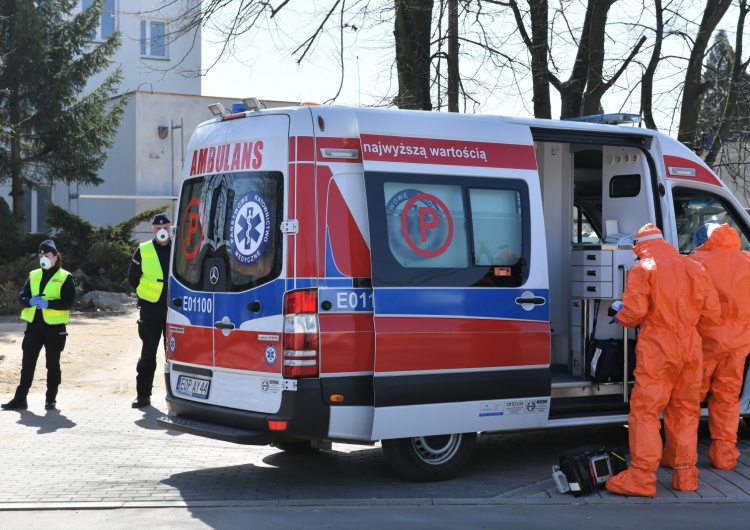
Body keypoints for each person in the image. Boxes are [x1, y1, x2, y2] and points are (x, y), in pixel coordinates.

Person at [606, 223, 720, 497]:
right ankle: (686, 476)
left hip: (658, 346)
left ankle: (642, 478)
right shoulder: (693, 266)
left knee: (645, 411)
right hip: (690, 346)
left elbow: (633, 313)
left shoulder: (643, 267)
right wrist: (689, 331)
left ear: (640, 245)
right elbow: (712, 313)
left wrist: (619, 314)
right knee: (685, 411)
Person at [676, 223, 750, 470]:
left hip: (705, 341)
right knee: (728, 397)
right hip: (738, 342)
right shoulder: (747, 260)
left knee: (689, 400)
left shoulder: (696, 261)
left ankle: (681, 459)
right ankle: (724, 456)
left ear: (702, 240)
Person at [2, 240, 75, 411]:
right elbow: (22, 296)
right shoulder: (34, 275)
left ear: (55, 257)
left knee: (52, 364)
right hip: (34, 326)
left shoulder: (65, 277)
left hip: (54, 328)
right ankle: (20, 399)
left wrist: (49, 304)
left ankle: (51, 399)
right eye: (41, 256)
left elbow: (69, 302)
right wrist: (29, 301)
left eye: (47, 256)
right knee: (27, 362)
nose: (43, 259)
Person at [128, 213, 172, 408]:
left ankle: (177, 397)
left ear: (170, 228)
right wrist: (145, 294)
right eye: (158, 228)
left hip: (175, 308)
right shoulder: (143, 250)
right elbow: (132, 278)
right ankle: (143, 396)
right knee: (148, 354)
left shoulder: (180, 248)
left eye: (166, 227)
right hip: (151, 308)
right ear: (152, 229)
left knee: (174, 355)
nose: (162, 230)